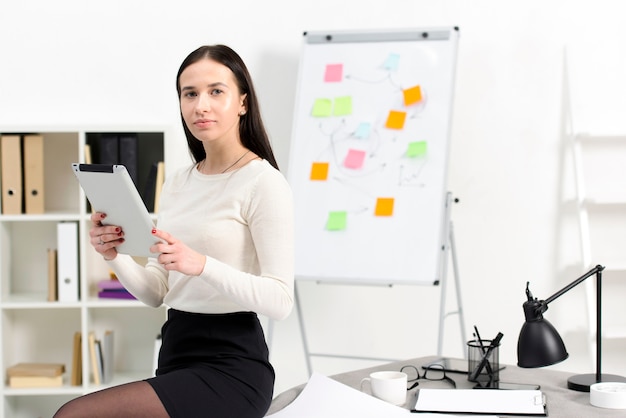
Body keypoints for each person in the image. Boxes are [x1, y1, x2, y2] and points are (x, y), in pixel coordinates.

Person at [54, 44, 294, 418]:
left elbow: (280, 300)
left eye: (216, 91)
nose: (201, 105)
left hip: (232, 366)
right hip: (176, 352)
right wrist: (113, 256)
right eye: (190, 93)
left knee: (74, 415)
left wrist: (202, 265)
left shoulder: (264, 183)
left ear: (243, 102)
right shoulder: (179, 182)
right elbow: (156, 292)